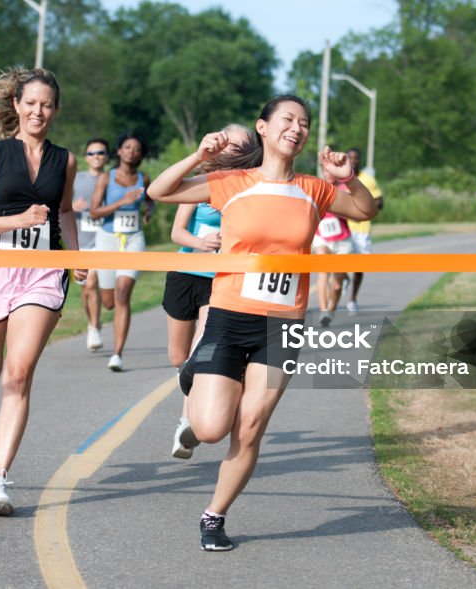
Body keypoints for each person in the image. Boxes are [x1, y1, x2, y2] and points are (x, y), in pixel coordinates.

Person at [148, 95, 378, 551]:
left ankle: (214, 516)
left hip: (282, 325)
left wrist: (346, 176)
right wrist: (200, 155)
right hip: (230, 317)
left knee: (250, 425)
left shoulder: (315, 189)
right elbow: (160, 191)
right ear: (264, 128)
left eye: (304, 123)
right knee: (212, 429)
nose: (297, 128)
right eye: (288, 120)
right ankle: (195, 382)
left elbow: (367, 210)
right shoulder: (231, 181)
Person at [0, 67, 85, 517]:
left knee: (18, 374)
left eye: (47, 104)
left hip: (42, 273)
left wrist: (76, 254)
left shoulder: (65, 160)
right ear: (16, 105)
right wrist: (18, 220)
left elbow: (65, 212)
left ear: (56, 110)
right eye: (31, 103)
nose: (39, 111)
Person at [162, 124, 261, 460]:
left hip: (220, 280)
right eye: (224, 138)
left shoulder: (249, 188)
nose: (226, 144)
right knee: (179, 357)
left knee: (198, 348)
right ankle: (190, 385)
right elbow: (177, 232)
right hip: (184, 274)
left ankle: (185, 422)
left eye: (235, 142)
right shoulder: (202, 182)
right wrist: (200, 243)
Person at [89, 131, 154, 372]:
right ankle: (98, 324)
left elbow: (150, 199)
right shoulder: (107, 177)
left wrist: (148, 210)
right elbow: (95, 212)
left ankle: (117, 354)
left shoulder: (143, 178)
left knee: (123, 293)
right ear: (119, 151)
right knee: (108, 302)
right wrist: (121, 202)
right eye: (127, 147)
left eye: (136, 149)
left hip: (134, 239)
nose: (131, 152)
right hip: (107, 239)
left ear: (140, 155)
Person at [73, 137, 110, 351]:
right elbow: (60, 205)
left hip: (104, 240)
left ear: (106, 156)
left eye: (100, 153)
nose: (96, 156)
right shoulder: (76, 179)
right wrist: (72, 205)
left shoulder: (113, 179)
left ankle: (95, 327)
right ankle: (91, 323)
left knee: (92, 282)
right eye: (91, 153)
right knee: (86, 290)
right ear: (86, 157)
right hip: (81, 241)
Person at [343, 147, 383, 314]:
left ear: (359, 160)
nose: (352, 161)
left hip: (362, 229)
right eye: (349, 158)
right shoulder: (340, 178)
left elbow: (380, 202)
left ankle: (352, 300)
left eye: (355, 158)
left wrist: (364, 208)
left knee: (359, 267)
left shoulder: (368, 179)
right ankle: (343, 276)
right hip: (343, 228)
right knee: (339, 261)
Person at [311, 168, 352, 327]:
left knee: (336, 284)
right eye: (325, 171)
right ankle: (323, 311)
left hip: (342, 239)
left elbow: (354, 212)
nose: (329, 175)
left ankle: (332, 309)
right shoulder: (317, 187)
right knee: (323, 273)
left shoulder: (344, 189)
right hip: (322, 237)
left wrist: (340, 209)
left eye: (331, 172)